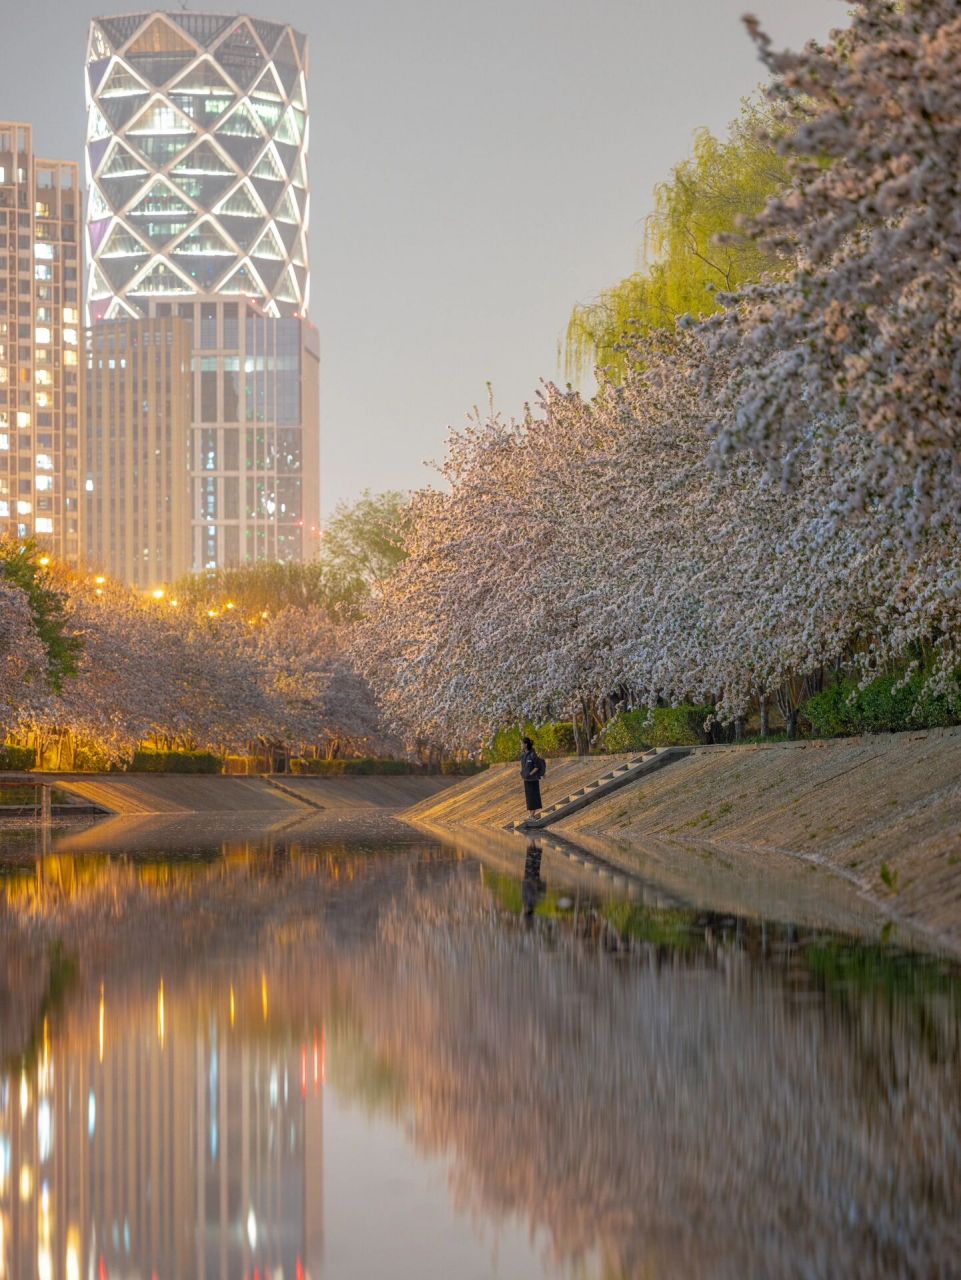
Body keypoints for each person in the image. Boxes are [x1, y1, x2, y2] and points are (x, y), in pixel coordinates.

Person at [520, 736, 546, 818]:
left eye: (522, 743)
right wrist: (523, 773)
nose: (521, 745)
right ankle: (531, 814)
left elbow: (537, 767)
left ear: (526, 744)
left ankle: (532, 815)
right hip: (526, 780)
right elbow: (524, 767)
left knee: (533, 797)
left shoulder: (532, 754)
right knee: (529, 798)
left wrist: (530, 774)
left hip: (533, 780)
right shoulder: (524, 755)